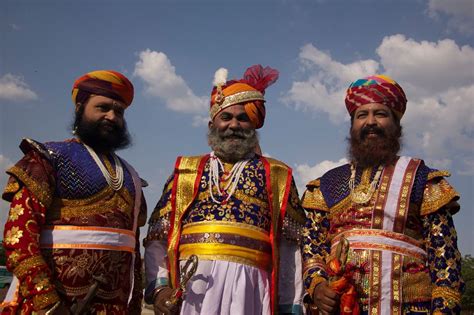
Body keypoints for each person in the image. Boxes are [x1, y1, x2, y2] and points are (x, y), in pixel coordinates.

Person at [144, 65, 305, 315]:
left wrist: (290, 305)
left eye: (243, 118)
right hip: (192, 291)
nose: (234, 125)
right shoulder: (186, 170)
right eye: (226, 117)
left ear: (254, 125)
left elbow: (291, 247)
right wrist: (161, 287)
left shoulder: (277, 174)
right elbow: (157, 236)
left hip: (250, 291)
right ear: (212, 123)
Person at [301, 75, 465, 314]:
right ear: (352, 126)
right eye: (361, 115)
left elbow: (445, 261)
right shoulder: (327, 183)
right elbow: (312, 248)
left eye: (380, 114)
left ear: (396, 125)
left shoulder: (422, 179)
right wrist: (317, 287)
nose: (370, 122)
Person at [1, 70, 147, 314]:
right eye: (102, 108)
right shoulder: (49, 158)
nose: (112, 116)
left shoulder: (132, 176)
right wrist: (48, 303)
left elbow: (133, 252)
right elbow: (20, 238)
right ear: (80, 108)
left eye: (119, 112)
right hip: (53, 305)